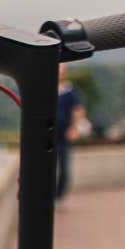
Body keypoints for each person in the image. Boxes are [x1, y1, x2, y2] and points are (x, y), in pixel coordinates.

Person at [56, 63, 83, 203]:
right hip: (49, 135)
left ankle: (59, 196)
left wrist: (75, 128)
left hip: (64, 135)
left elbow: (77, 110)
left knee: (64, 168)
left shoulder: (71, 91)